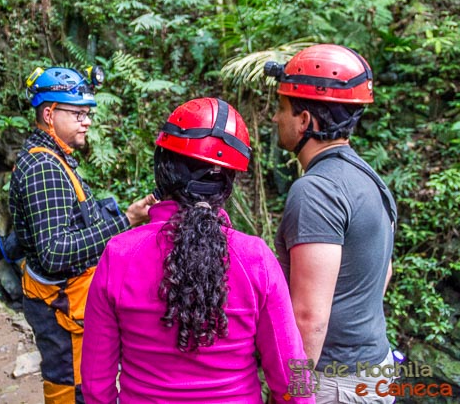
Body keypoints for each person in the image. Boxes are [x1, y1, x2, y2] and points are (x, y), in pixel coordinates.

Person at [81, 97, 316, 404]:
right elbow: (292, 375)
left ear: (163, 168)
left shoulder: (120, 255)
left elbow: (96, 383)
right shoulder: (255, 258)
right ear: (228, 182)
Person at [9, 66, 155, 403]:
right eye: (78, 114)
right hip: (60, 307)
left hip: (67, 306)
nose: (86, 121)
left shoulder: (54, 160)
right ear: (49, 113)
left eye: (87, 113)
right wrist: (127, 221)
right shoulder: (45, 168)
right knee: (71, 390)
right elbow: (55, 252)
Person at [265, 44, 398, 403]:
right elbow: (382, 273)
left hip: (333, 382)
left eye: (282, 109)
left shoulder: (316, 192)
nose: (275, 119)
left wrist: (290, 394)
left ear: (306, 121)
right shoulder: (370, 180)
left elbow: (309, 318)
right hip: (374, 370)